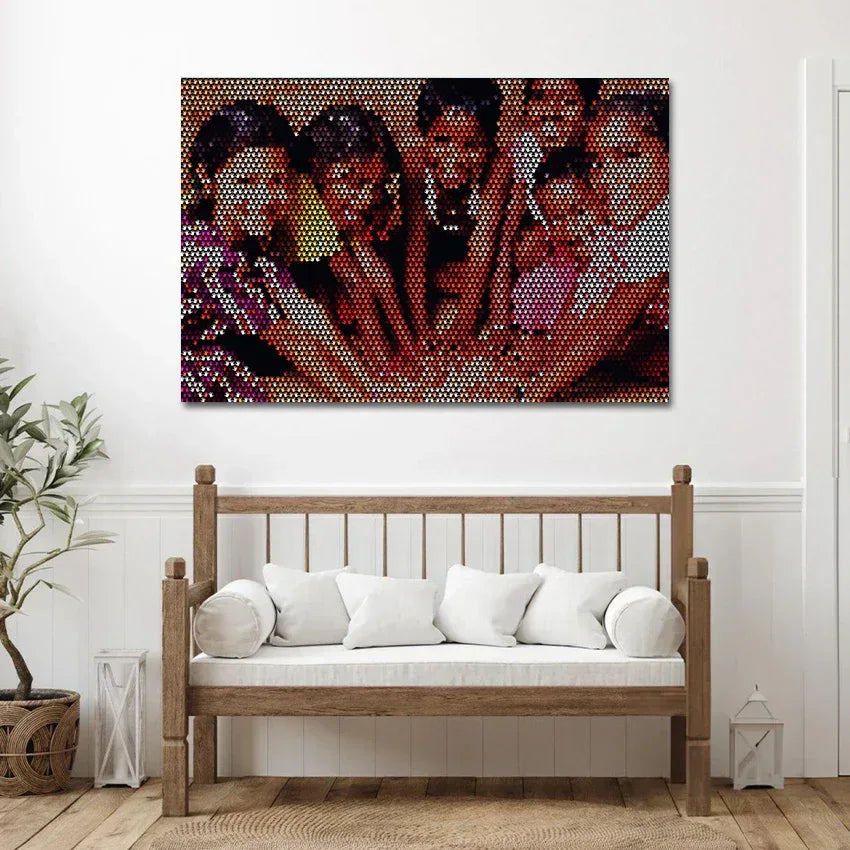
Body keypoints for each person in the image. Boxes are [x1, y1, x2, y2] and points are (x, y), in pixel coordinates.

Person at [181, 99, 373, 402]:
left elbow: (305, 311)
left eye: (278, 180)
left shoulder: (249, 239)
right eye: (246, 181)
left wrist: (367, 382)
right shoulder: (202, 253)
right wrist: (357, 399)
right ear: (207, 179)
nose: (266, 197)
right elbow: (290, 339)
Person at [293, 105, 414, 375]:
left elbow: (377, 273)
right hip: (275, 279)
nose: (366, 198)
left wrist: (409, 344)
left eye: (375, 185)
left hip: (313, 262)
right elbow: (355, 280)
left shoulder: (342, 201)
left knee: (370, 264)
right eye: (352, 182)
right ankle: (360, 359)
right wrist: (383, 359)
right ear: (316, 167)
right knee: (347, 285)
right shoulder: (304, 201)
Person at [404, 78, 510, 341]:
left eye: (471, 145)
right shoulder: (414, 165)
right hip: (435, 243)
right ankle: (447, 280)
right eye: (441, 140)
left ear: (488, 146)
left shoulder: (498, 170)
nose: (454, 157)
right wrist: (421, 328)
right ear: (422, 135)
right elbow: (416, 250)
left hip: (475, 245)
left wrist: (464, 322)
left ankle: (475, 294)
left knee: (512, 253)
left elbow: (484, 245)